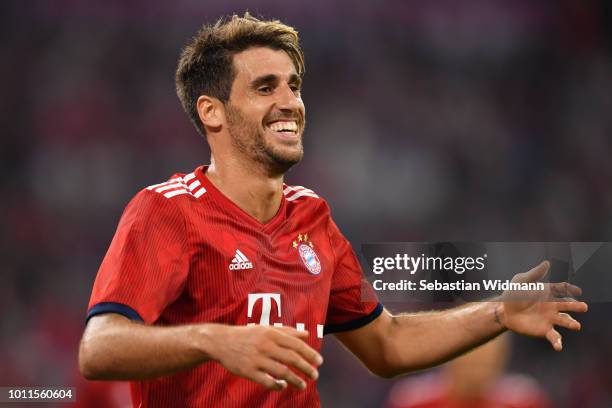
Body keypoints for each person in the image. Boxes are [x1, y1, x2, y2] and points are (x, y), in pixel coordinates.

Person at [78, 13, 588, 407]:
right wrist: (214, 341)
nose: (290, 101)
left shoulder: (312, 217)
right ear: (212, 111)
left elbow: (387, 344)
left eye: (293, 85)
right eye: (265, 87)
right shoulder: (166, 211)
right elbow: (98, 349)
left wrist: (497, 312)